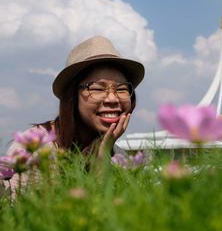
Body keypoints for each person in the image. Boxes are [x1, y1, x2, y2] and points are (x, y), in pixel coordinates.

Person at [4, 35, 145, 168]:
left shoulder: (120, 158)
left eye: (121, 89)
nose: (112, 99)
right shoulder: (34, 147)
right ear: (72, 96)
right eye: (97, 89)